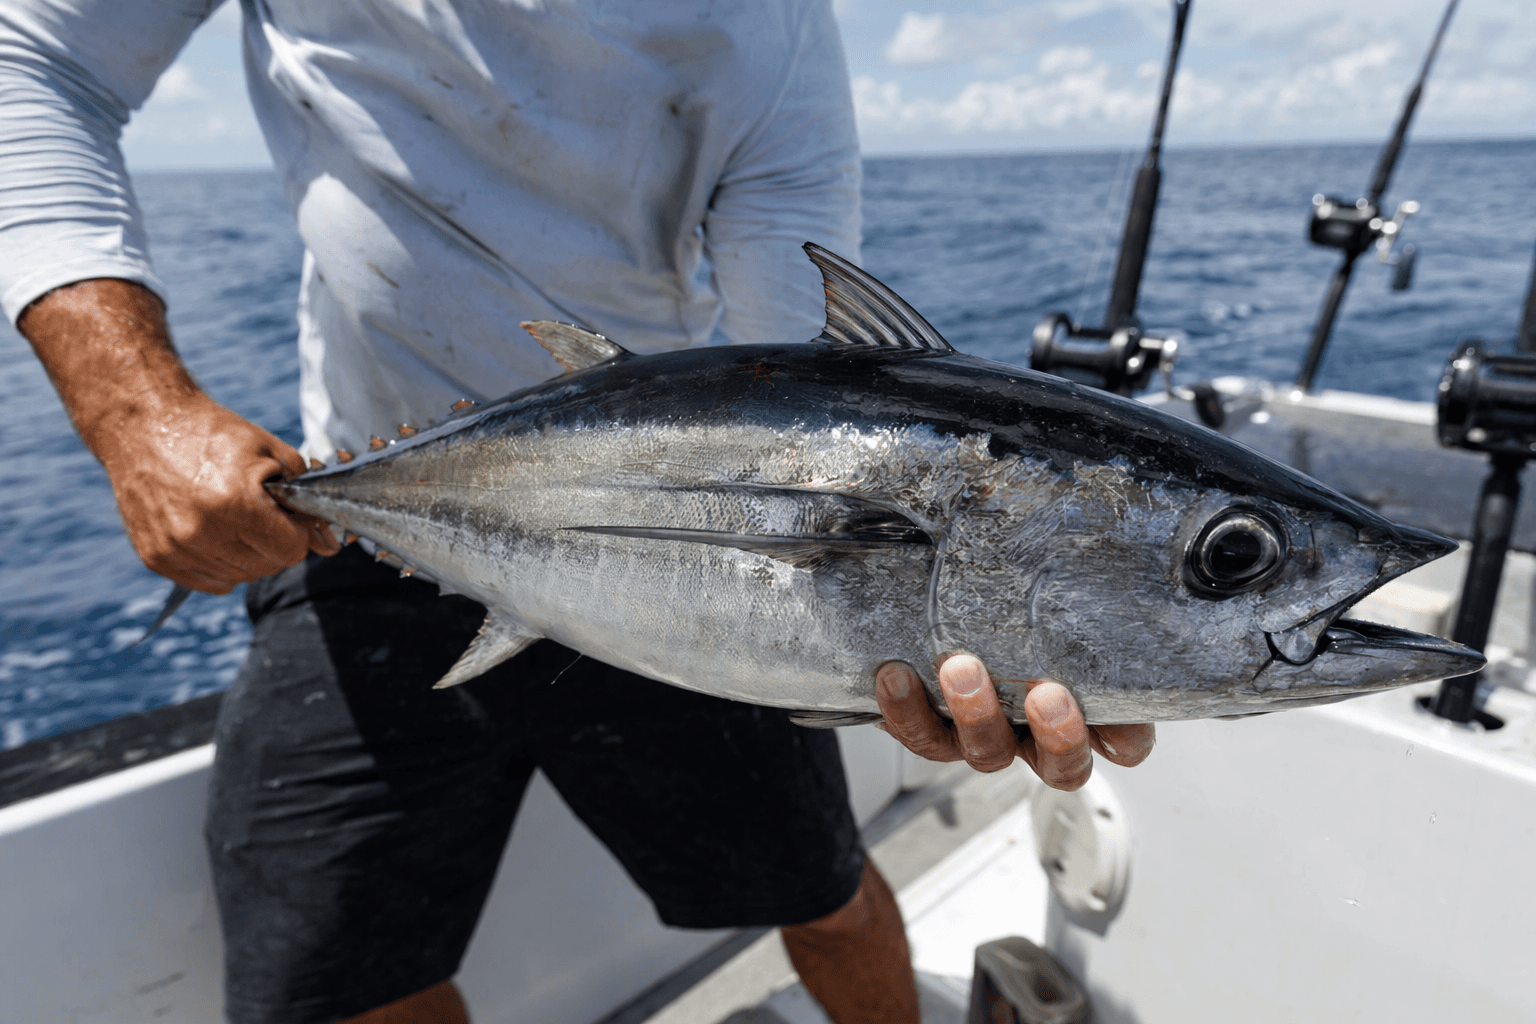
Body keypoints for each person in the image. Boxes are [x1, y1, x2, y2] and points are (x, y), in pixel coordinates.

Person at [0, 2, 1156, 1023]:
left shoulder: (774, 27)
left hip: (681, 545)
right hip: (374, 525)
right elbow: (34, 54)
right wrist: (136, 412)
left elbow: (810, 380)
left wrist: (905, 629)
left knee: (826, 894)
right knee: (332, 978)